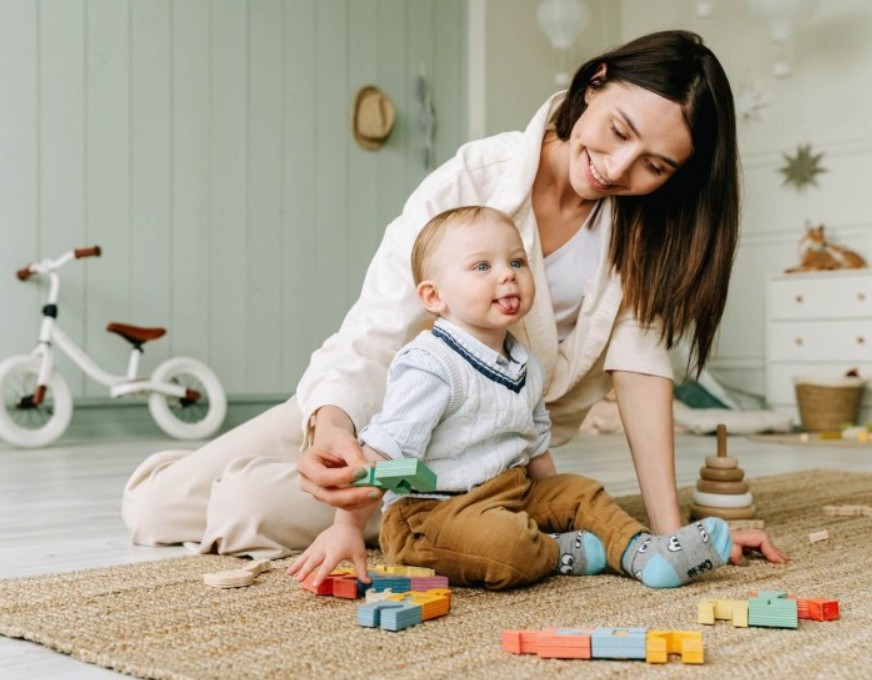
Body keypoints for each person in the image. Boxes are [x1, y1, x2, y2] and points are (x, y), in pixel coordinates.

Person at [122, 30, 786, 566]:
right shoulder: (476, 178)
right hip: (384, 402)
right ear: (596, 82)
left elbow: (641, 377)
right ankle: (320, 481)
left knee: (245, 506)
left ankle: (440, 518)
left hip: (481, 458)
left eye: (654, 165)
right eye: (618, 130)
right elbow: (375, 332)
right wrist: (329, 428)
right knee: (151, 508)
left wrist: (671, 535)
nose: (617, 167)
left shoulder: (644, 236)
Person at [288, 205, 735, 591]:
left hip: (508, 491)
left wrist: (559, 506)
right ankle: (558, 553)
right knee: (508, 544)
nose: (507, 274)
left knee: (583, 493)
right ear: (434, 296)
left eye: (517, 262)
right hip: (432, 516)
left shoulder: (524, 361)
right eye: (482, 267)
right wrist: (346, 527)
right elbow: (384, 455)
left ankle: (646, 554)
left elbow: (534, 443)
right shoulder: (430, 364)